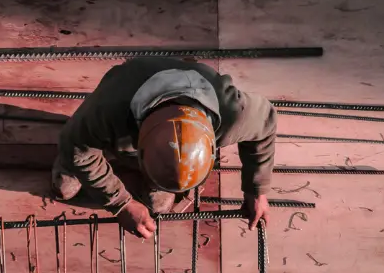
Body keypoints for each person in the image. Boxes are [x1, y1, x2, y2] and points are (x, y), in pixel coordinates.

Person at [51, 57, 276, 239]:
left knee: (159, 205)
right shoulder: (108, 110)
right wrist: (121, 204)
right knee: (70, 172)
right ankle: (70, 164)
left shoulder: (234, 116)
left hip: (146, 129)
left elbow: (266, 124)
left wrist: (256, 190)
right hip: (119, 109)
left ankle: (159, 179)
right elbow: (76, 147)